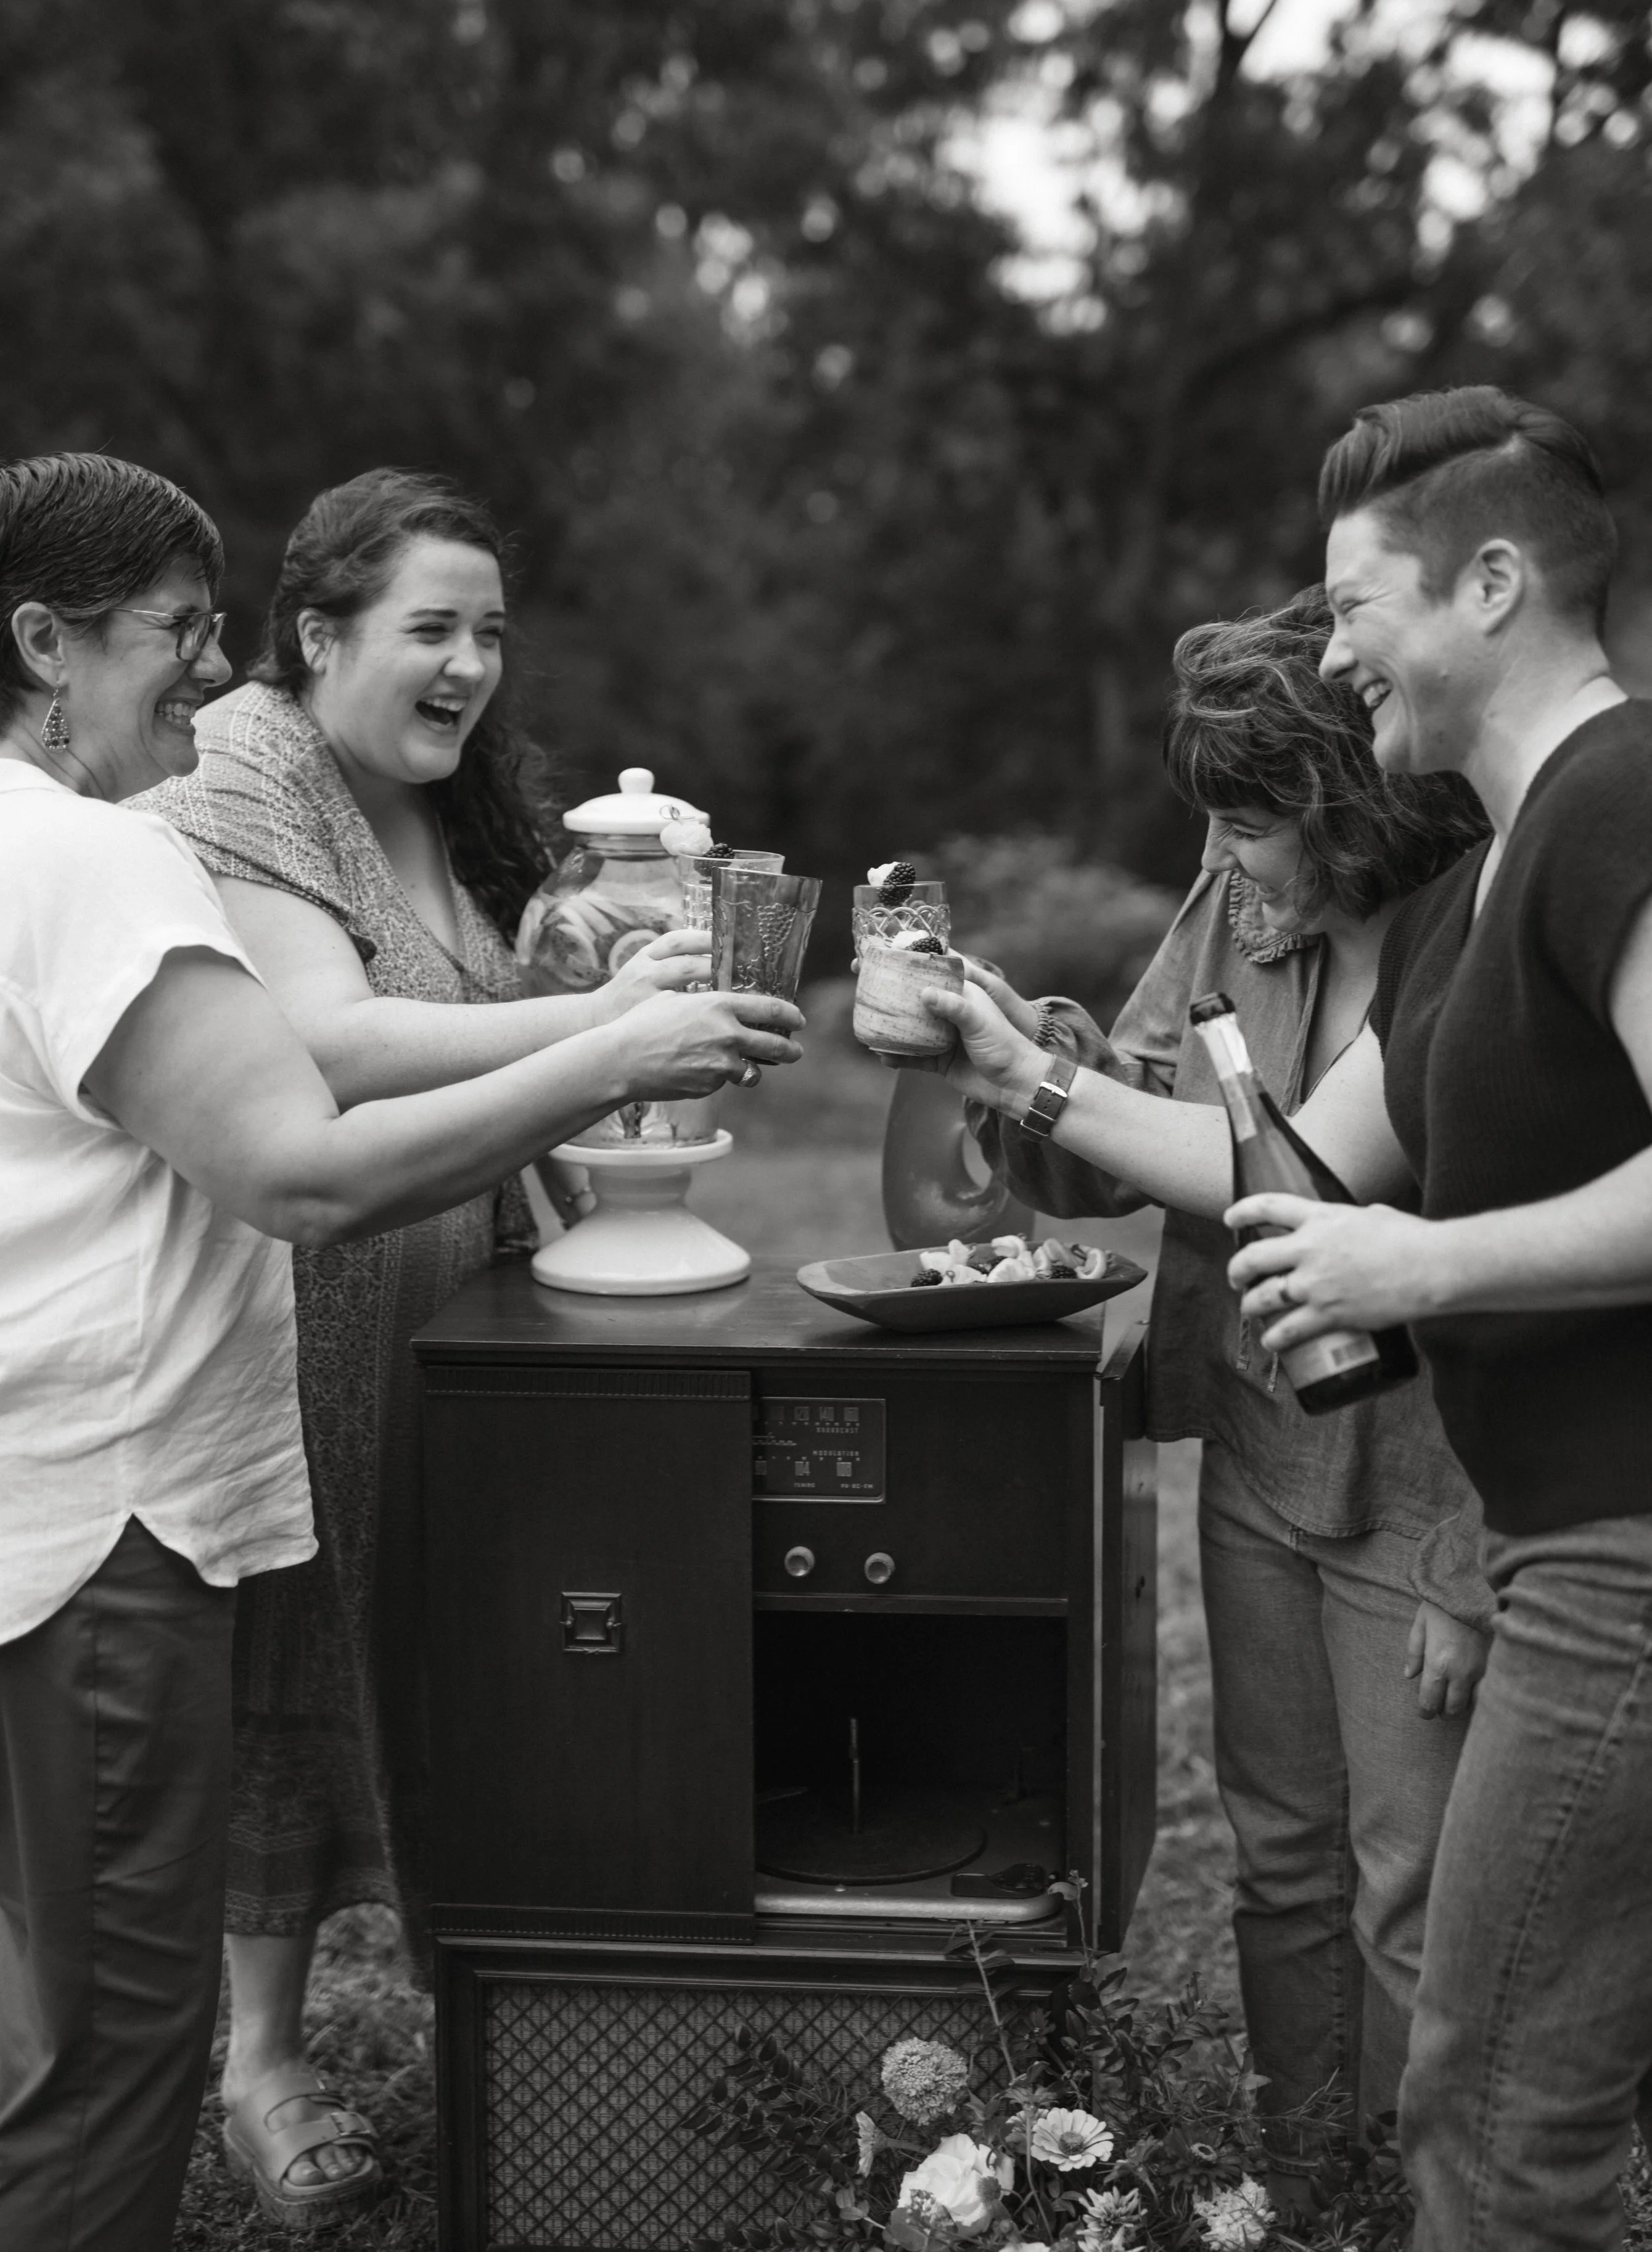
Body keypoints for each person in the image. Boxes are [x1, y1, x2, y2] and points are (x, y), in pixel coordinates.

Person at [0, 452, 802, 2252]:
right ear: (42, 642)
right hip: (108, 1521)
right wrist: (612, 1045)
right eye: (176, 638)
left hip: (33, 1501)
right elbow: (294, 1155)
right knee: (118, 2053)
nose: (210, 685)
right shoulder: (94, 857)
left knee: (48, 2023)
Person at [929, 387, 1652, 2252]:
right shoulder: (1478, 891)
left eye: (1351, 606)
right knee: (1484, 2106)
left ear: (1489, 584)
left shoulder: (1618, 802)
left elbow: (1379, 1236)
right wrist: (1009, 1061)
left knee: (1494, 2116)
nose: (1328, 656)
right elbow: (1281, 1166)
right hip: (1562, 1550)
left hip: (1614, 1561)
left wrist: (1428, 1267)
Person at [956, 591, 1489, 2187]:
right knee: (1277, 1858)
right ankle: (1303, 2171)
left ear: (1351, 804)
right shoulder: (1234, 905)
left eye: (1252, 822)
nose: (1226, 858)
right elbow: (1117, 1132)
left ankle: (1427, 2188)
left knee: (1414, 1879)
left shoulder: (1470, 934)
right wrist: (1001, 1041)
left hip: (1426, 1470)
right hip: (1263, 1450)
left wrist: (1472, 1561)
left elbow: (1315, 1176)